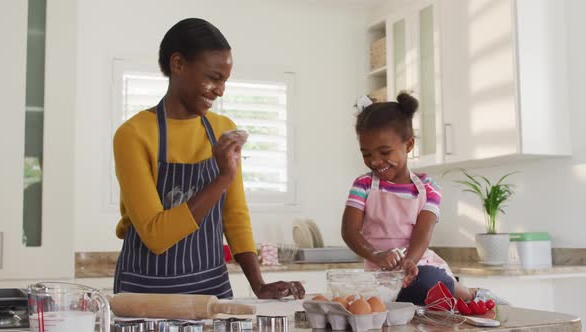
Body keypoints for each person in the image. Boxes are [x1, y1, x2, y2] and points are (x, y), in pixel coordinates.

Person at [112, 18, 305, 299]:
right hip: (147, 294)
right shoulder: (133, 135)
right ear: (177, 64)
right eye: (213, 78)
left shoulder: (221, 128)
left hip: (210, 291)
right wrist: (223, 177)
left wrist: (258, 285)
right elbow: (156, 235)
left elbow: (235, 215)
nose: (221, 90)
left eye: (224, 80)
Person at [341, 92, 475, 305]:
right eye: (366, 153)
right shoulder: (363, 186)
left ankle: (470, 295)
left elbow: (423, 233)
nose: (375, 161)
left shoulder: (428, 189)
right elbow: (349, 231)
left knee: (427, 281)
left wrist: (410, 261)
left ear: (409, 145)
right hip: (380, 276)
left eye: (384, 152)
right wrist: (375, 255)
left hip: (417, 266)